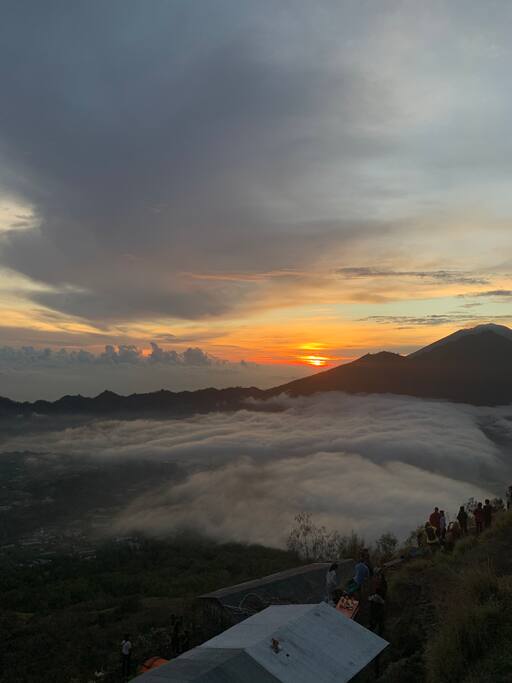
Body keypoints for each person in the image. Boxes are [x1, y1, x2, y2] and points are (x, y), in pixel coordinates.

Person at [369, 569, 388, 636]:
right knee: (377, 620)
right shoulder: (381, 582)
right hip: (377, 603)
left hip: (377, 604)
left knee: (376, 619)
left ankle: (375, 630)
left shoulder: (380, 582)